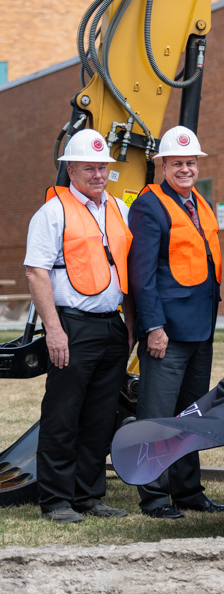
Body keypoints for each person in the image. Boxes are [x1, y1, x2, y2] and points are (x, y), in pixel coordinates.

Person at [24, 129, 132, 523]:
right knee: (63, 414)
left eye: (103, 167)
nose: (98, 174)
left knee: (101, 416)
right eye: (90, 167)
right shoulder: (51, 212)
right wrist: (54, 330)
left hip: (112, 326)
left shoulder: (120, 209)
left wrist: (130, 327)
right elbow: (36, 273)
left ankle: (89, 495)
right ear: (71, 168)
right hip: (72, 325)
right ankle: (55, 500)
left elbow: (127, 270)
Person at [128, 125, 224, 518]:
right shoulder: (149, 205)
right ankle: (153, 496)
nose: (185, 168)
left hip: (200, 331)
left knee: (190, 417)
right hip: (167, 333)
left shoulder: (199, 203)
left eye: (190, 163)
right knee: (156, 416)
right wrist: (153, 327)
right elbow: (143, 275)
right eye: (177, 163)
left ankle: (188, 491)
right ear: (163, 165)